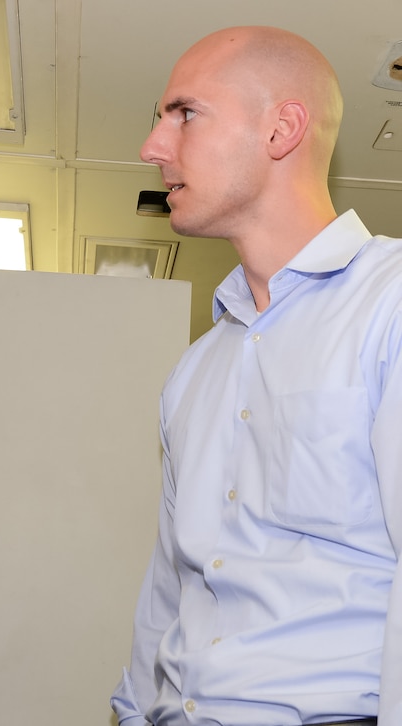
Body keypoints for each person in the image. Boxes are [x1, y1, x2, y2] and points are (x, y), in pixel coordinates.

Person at [112, 25, 402, 726]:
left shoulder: (390, 304)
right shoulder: (194, 370)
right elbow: (171, 584)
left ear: (282, 129)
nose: (153, 146)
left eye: (183, 113)